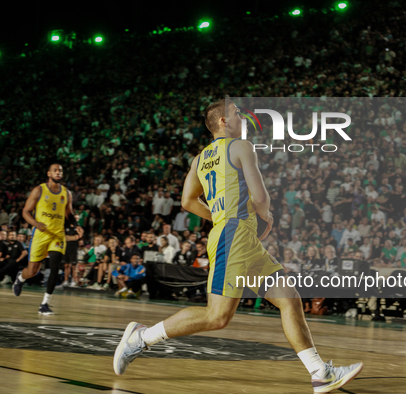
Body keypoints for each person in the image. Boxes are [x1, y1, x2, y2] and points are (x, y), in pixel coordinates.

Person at [113, 99, 362, 392]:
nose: (243, 116)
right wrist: (265, 217)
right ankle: (141, 338)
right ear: (222, 121)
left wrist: (221, 217)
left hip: (235, 234)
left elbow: (187, 201)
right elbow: (261, 198)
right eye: (237, 112)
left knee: (289, 298)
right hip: (235, 236)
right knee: (217, 317)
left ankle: (320, 372)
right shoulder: (242, 147)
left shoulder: (199, 159)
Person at [12, 164, 83, 314]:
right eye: (55, 170)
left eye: (60, 171)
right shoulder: (39, 190)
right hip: (40, 234)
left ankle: (45, 303)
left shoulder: (66, 193)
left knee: (55, 267)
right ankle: (21, 278)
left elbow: (69, 214)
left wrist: (76, 225)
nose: (58, 173)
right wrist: (35, 223)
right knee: (32, 271)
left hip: (58, 234)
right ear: (49, 173)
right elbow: (25, 211)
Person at [62, 214, 80, 287]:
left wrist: (68, 237)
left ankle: (74, 281)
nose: (75, 219)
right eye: (74, 218)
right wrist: (72, 237)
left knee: (73, 266)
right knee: (66, 265)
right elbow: (63, 237)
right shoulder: (66, 227)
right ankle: (66, 281)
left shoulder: (78, 228)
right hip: (65, 248)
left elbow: (77, 237)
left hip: (74, 249)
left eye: (77, 218)